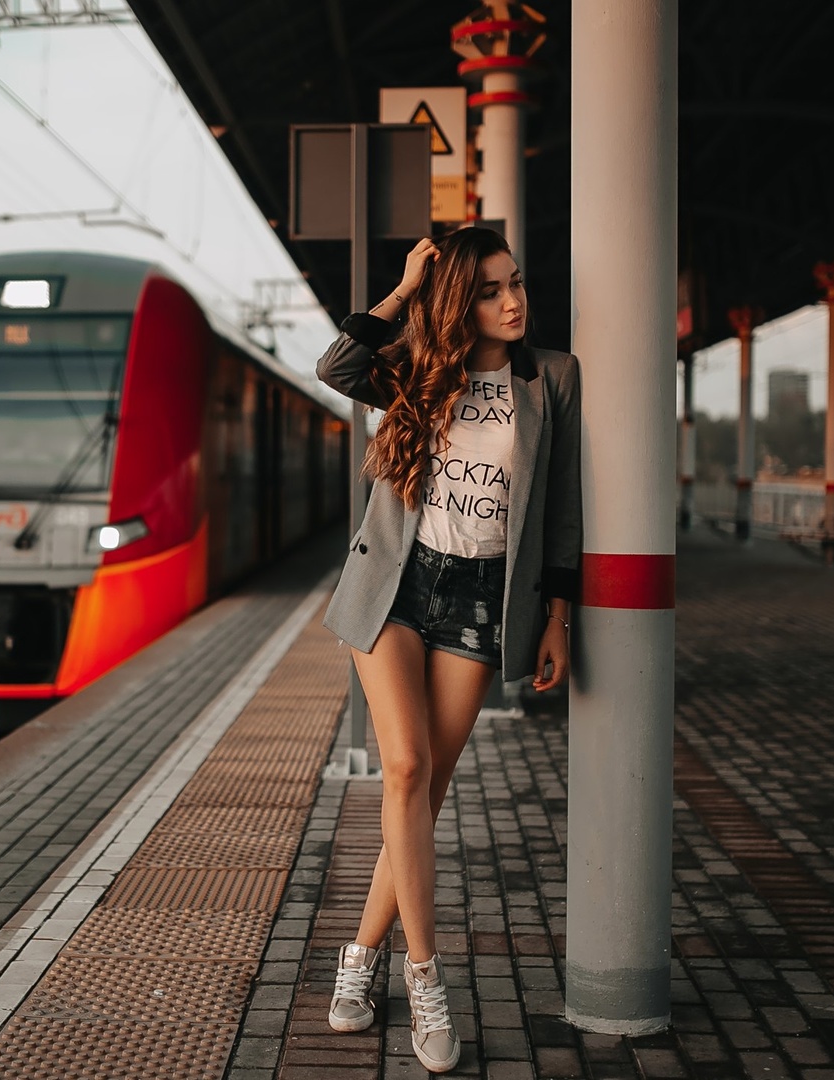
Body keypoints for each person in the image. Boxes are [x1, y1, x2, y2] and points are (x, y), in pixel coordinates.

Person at [314, 226, 581, 1073]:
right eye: (493, 289)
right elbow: (335, 368)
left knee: (421, 799)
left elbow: (564, 507)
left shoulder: (554, 379)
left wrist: (556, 616)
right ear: (460, 301)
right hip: (397, 583)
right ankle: (426, 978)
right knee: (403, 770)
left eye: (517, 282)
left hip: (484, 598)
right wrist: (401, 291)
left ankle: (359, 962)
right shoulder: (421, 369)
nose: (514, 300)